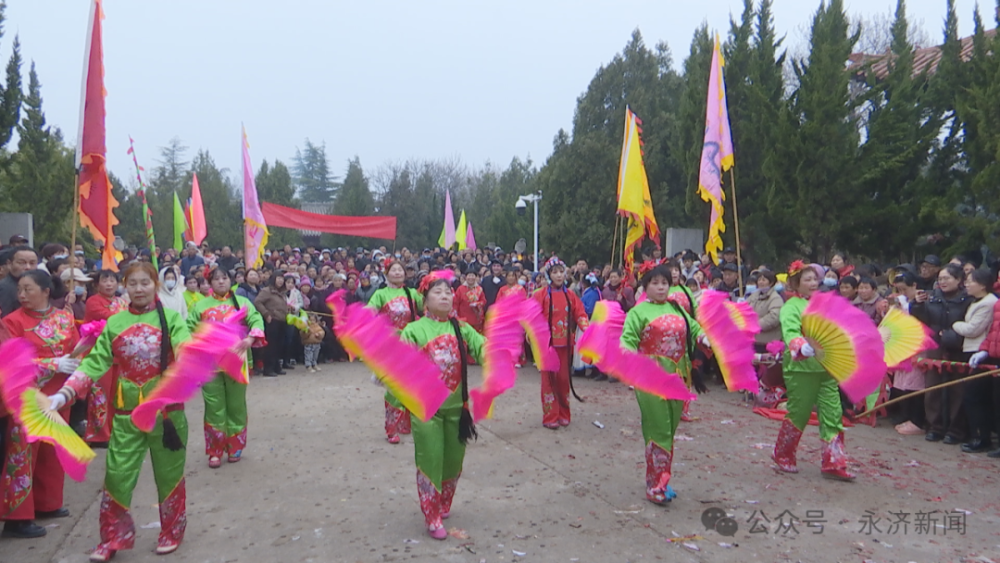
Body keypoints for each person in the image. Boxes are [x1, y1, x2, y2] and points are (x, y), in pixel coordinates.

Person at [48, 262, 191, 559]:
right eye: (133, 283)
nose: (139, 289)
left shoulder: (173, 319)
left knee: (169, 475)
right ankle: (113, 537)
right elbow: (94, 362)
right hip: (126, 415)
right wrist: (65, 393)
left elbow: (186, 351)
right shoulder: (115, 323)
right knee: (116, 474)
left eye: (145, 283)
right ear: (125, 286)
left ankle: (171, 531)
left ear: (155, 285)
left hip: (166, 415)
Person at [400, 272, 487, 539]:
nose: (445, 296)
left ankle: (443, 502)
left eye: (448, 292)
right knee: (431, 460)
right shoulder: (414, 330)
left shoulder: (461, 328)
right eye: (438, 292)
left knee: (453, 461)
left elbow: (482, 348)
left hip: (457, 409)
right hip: (427, 410)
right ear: (425, 299)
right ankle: (432, 515)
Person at [0, 269, 79, 540]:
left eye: (28, 289)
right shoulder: (11, 322)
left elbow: (78, 348)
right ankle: (17, 517)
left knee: (52, 451)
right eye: (19, 290)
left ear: (46, 291)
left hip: (58, 394)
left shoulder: (64, 317)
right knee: (22, 456)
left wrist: (77, 360)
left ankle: (48, 503)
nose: (21, 295)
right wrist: (53, 364)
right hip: (27, 397)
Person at [620, 264, 708, 504]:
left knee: (670, 429)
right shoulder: (638, 313)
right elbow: (627, 339)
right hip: (651, 377)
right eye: (655, 283)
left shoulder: (677, 307)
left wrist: (703, 337)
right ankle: (656, 484)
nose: (661, 287)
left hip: (679, 375)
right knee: (658, 426)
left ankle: (660, 478)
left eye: (665, 283)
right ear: (645, 286)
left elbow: (694, 327)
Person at [772, 261, 854, 481]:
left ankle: (834, 462)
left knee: (833, 414)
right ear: (796, 283)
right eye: (806, 279)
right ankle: (783, 455)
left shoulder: (824, 304)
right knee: (799, 413)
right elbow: (790, 330)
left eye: (814, 279)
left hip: (826, 367)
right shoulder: (791, 306)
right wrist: (800, 345)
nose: (812, 283)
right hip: (801, 369)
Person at [189, 267, 264, 468]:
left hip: (236, 362)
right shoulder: (200, 306)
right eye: (216, 279)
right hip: (210, 364)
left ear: (231, 281)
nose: (221, 282)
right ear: (209, 283)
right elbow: (188, 329)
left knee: (236, 405)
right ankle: (215, 450)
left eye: (224, 278)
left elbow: (256, 319)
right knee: (214, 407)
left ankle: (235, 446)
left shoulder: (242, 303)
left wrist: (250, 337)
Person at [911, 263, 972, 444]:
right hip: (936, 347)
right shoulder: (932, 298)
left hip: (958, 348)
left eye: (947, 278)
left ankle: (955, 430)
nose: (943, 282)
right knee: (933, 389)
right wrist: (918, 305)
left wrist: (952, 336)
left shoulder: (967, 300)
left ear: (959, 280)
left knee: (957, 391)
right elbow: (923, 320)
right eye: (940, 279)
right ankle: (935, 427)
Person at [368, 261, 424, 443]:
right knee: (393, 387)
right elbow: (370, 312)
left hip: (410, 344)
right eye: (394, 270)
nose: (398, 272)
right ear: (387, 273)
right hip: (390, 346)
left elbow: (428, 307)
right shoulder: (380, 294)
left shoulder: (412, 293)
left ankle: (406, 422)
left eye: (401, 270)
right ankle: (392, 428)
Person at [533, 262, 589, 428]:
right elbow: (533, 317)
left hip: (565, 343)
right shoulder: (541, 295)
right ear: (549, 275)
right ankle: (550, 416)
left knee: (564, 380)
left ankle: (564, 413)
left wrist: (586, 329)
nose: (558, 275)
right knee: (549, 381)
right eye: (555, 272)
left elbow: (580, 313)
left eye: (561, 272)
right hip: (547, 345)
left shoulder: (571, 295)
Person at [83, 270, 129, 446]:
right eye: (105, 280)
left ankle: (113, 430)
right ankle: (98, 435)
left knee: (115, 395)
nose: (109, 284)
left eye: (112, 280)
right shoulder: (93, 302)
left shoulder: (121, 301)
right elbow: (113, 319)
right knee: (99, 395)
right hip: (99, 354)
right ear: (97, 284)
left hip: (119, 355)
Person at [953, 269, 997, 453]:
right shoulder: (992, 303)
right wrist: (985, 350)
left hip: (990, 357)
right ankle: (981, 437)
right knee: (976, 397)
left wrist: (954, 325)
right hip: (986, 353)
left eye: (971, 281)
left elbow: (973, 329)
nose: (967, 284)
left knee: (978, 397)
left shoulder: (990, 302)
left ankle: (982, 437)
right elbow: (994, 332)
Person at [255, 273, 290, 377]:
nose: (280, 281)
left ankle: (276, 367)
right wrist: (266, 314)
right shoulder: (267, 291)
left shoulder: (282, 293)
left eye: (282, 279)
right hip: (272, 321)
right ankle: (268, 369)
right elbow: (257, 302)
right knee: (271, 346)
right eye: (278, 278)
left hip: (282, 320)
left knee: (279, 345)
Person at [0, 247, 39, 318]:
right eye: (21, 263)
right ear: (9, 264)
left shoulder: (39, 284)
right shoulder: (4, 288)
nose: (28, 267)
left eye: (32, 263)